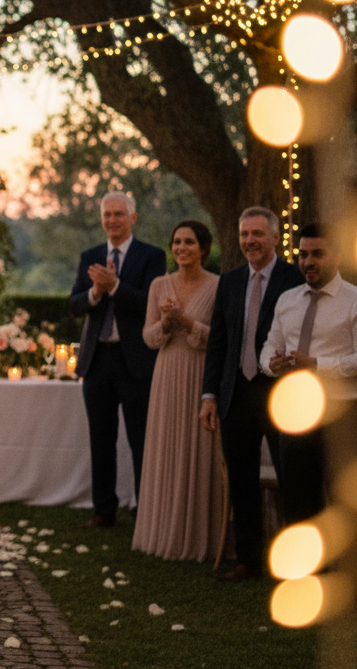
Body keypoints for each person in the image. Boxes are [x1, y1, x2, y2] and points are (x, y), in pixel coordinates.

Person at [261, 223, 357, 604]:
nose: (308, 262)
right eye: (303, 254)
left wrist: (318, 364)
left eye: (317, 254)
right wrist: (272, 364)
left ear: (337, 256)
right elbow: (268, 347)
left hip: (343, 414)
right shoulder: (287, 300)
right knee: (298, 501)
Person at [199, 207, 305, 581]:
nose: (250, 241)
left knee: (292, 480)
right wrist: (209, 395)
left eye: (258, 234)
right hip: (235, 394)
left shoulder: (295, 279)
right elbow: (219, 344)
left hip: (281, 395)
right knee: (242, 481)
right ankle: (248, 560)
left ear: (276, 238)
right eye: (245, 234)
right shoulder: (229, 281)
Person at [69, 191, 167, 527]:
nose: (112, 220)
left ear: (133, 218)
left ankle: (145, 510)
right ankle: (103, 510)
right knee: (101, 439)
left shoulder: (151, 257)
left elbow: (149, 304)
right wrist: (95, 293)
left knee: (141, 440)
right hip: (97, 361)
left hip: (136, 361)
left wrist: (114, 286)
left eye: (119, 215)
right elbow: (74, 305)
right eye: (107, 215)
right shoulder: (90, 256)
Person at [132, 220, 222, 561]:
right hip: (167, 374)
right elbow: (148, 338)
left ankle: (202, 536)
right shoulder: (159, 285)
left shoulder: (218, 285)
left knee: (199, 448)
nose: (181, 248)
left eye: (189, 242)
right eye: (177, 242)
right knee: (167, 446)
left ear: (203, 249)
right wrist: (167, 324)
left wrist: (187, 322)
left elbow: (219, 338)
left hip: (201, 375)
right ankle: (164, 532)